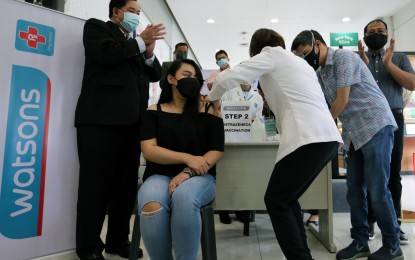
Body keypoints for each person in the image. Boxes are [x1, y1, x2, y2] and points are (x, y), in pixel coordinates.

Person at [209, 28, 343, 260]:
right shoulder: (300, 63)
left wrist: (211, 100)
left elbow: (228, 76)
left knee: (276, 200)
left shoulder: (271, 54)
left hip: (308, 136)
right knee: (287, 200)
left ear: (257, 48)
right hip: (327, 138)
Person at [292, 29, 403, 260]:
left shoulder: (344, 57)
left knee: (377, 189)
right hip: (354, 134)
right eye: (300, 57)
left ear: (318, 44)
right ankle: (360, 241)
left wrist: (321, 129)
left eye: (305, 53)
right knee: (354, 191)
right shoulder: (321, 73)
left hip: (375, 125)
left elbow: (342, 100)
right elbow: (320, 105)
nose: (305, 59)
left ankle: (393, 245)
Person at [74, 0, 165, 259]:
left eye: (138, 13)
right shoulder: (97, 29)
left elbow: (155, 74)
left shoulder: (134, 44)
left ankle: (118, 240)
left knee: (125, 187)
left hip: (132, 124)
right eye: (132, 11)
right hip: (99, 122)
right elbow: (105, 54)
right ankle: (89, 247)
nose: (136, 16)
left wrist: (148, 51)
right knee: (95, 186)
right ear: (116, 12)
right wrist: (139, 42)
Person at [137, 59, 224, 259]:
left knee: (183, 198)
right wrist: (188, 158)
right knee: (151, 203)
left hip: (199, 177)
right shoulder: (154, 111)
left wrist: (188, 171)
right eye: (186, 75)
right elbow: (149, 150)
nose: (191, 80)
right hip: (159, 174)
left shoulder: (209, 109)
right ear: (171, 79)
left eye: (195, 77)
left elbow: (216, 150)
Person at [358, 19, 415, 244]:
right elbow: (357, 87)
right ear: (364, 37)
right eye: (372, 32)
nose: (377, 35)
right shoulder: (358, 59)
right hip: (367, 119)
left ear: (388, 34)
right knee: (368, 173)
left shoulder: (399, 57)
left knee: (392, 174)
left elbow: (411, 84)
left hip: (394, 117)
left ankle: (394, 224)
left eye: (381, 31)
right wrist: (364, 63)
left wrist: (388, 63)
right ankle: (370, 221)